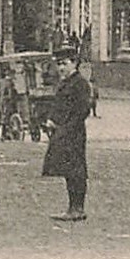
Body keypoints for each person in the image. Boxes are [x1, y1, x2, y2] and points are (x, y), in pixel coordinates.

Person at [40, 48, 93, 221]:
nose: (61, 67)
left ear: (74, 63)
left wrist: (66, 127)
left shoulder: (80, 83)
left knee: (76, 169)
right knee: (68, 169)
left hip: (73, 131)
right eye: (59, 64)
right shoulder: (65, 83)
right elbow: (58, 105)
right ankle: (72, 207)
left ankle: (78, 208)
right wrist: (51, 120)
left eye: (65, 63)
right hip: (62, 130)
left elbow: (82, 110)